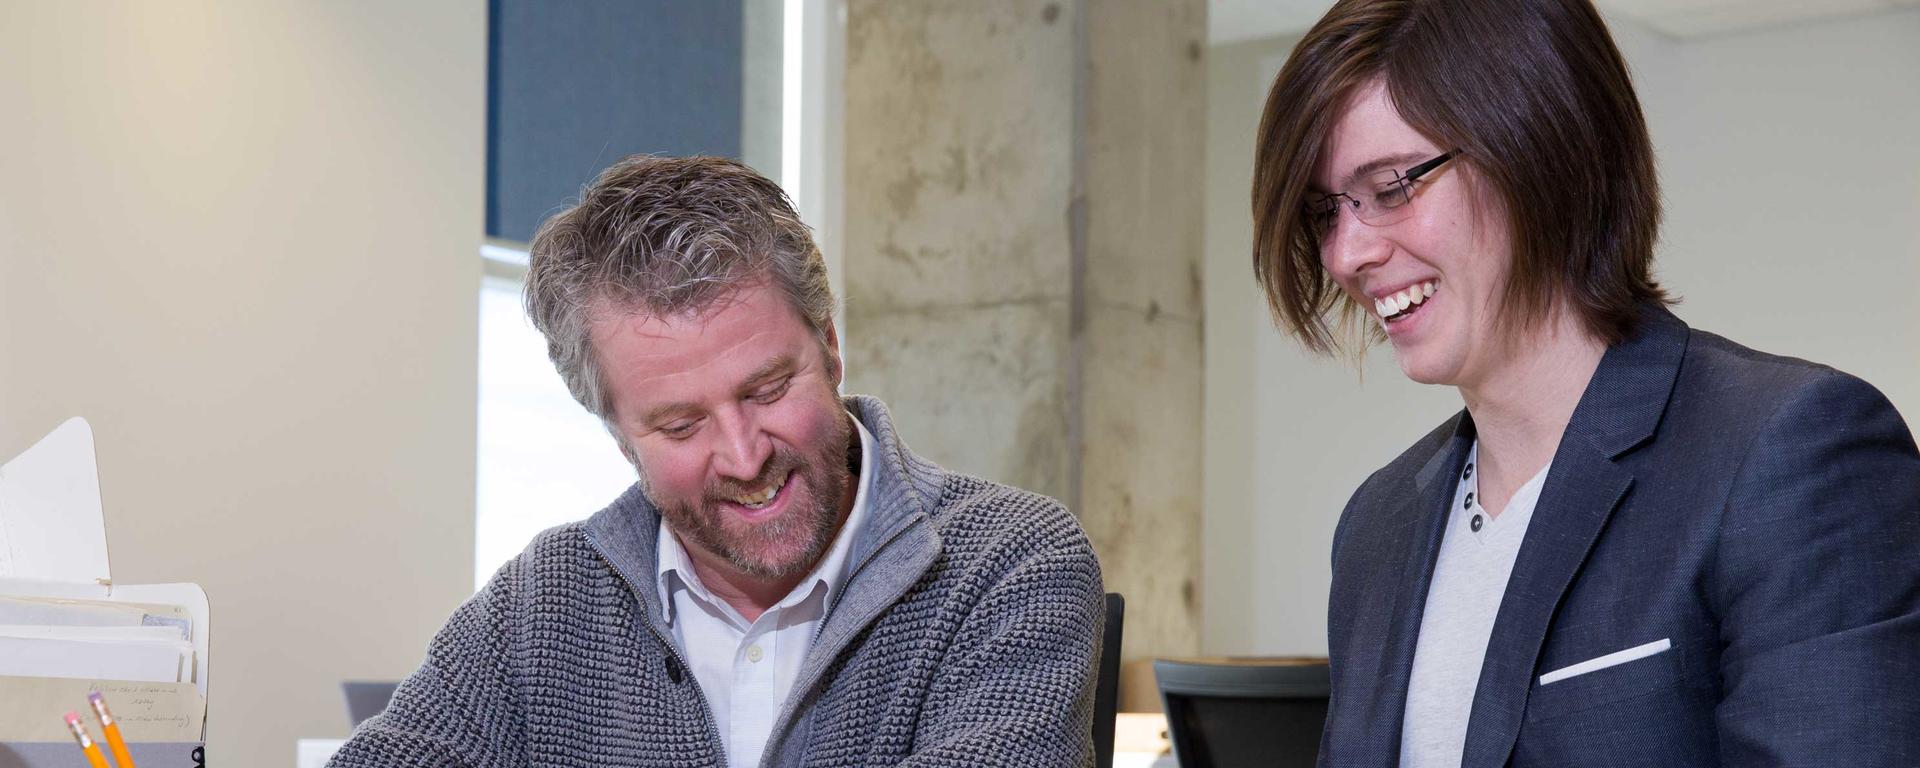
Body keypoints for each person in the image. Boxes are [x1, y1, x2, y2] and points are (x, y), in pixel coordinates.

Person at [1251, 0, 1920, 765]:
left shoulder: (1790, 455)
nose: (1345, 254)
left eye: (1394, 185)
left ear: (1541, 149)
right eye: (1325, 211)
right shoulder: (1377, 524)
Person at [328, 156, 1104, 767]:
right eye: (680, 423)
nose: (743, 457)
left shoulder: (1010, 564)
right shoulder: (544, 602)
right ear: (619, 435)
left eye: (768, 388)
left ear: (830, 347)